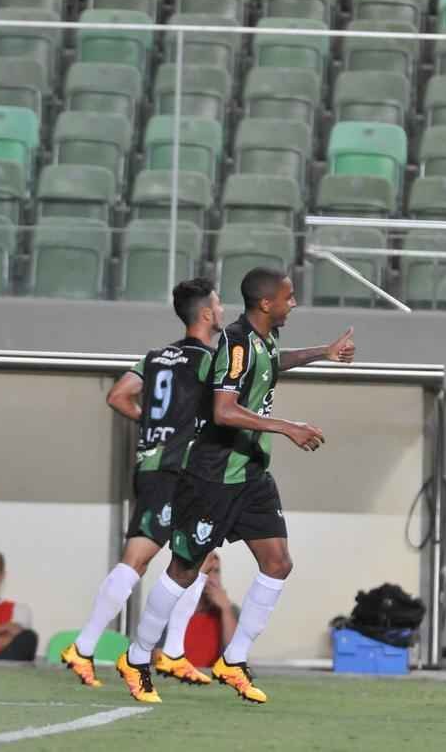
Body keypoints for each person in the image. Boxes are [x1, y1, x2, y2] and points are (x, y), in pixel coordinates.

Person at [114, 267, 356, 704]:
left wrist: (325, 351)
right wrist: (288, 427)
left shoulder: (264, 339)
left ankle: (233, 659)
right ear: (267, 304)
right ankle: (136, 657)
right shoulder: (237, 342)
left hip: (251, 473)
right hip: (213, 475)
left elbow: (273, 364)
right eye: (289, 297)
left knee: (278, 562)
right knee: (184, 570)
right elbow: (224, 410)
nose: (294, 303)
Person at [61, 278, 226, 689]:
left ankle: (168, 652)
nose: (224, 312)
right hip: (175, 469)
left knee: (198, 557)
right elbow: (224, 410)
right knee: (144, 559)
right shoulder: (208, 360)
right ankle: (87, 648)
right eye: (220, 306)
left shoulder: (156, 358)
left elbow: (118, 396)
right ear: (206, 313)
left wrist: (155, 425)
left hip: (153, 464)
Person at [170, 551, 238, 669]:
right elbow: (158, 657)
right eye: (206, 572)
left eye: (216, 572)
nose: (212, 579)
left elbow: (236, 658)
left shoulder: (231, 612)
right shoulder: (171, 608)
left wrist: (226, 611)